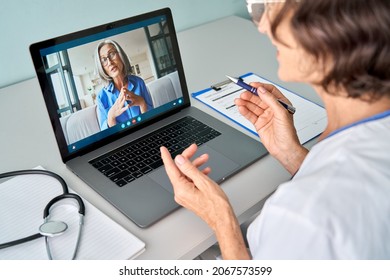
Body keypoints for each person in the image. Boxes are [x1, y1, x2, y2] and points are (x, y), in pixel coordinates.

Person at [160, 0, 390, 259]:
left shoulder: (303, 216)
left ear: (329, 28)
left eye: (272, 9)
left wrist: (221, 219)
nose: (263, 26)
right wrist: (289, 152)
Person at [94, 39, 153, 130]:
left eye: (112, 54)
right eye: (104, 60)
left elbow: (153, 119)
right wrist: (111, 117)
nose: (109, 62)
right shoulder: (101, 97)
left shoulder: (139, 82)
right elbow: (106, 137)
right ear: (102, 67)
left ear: (120, 55)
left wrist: (142, 103)